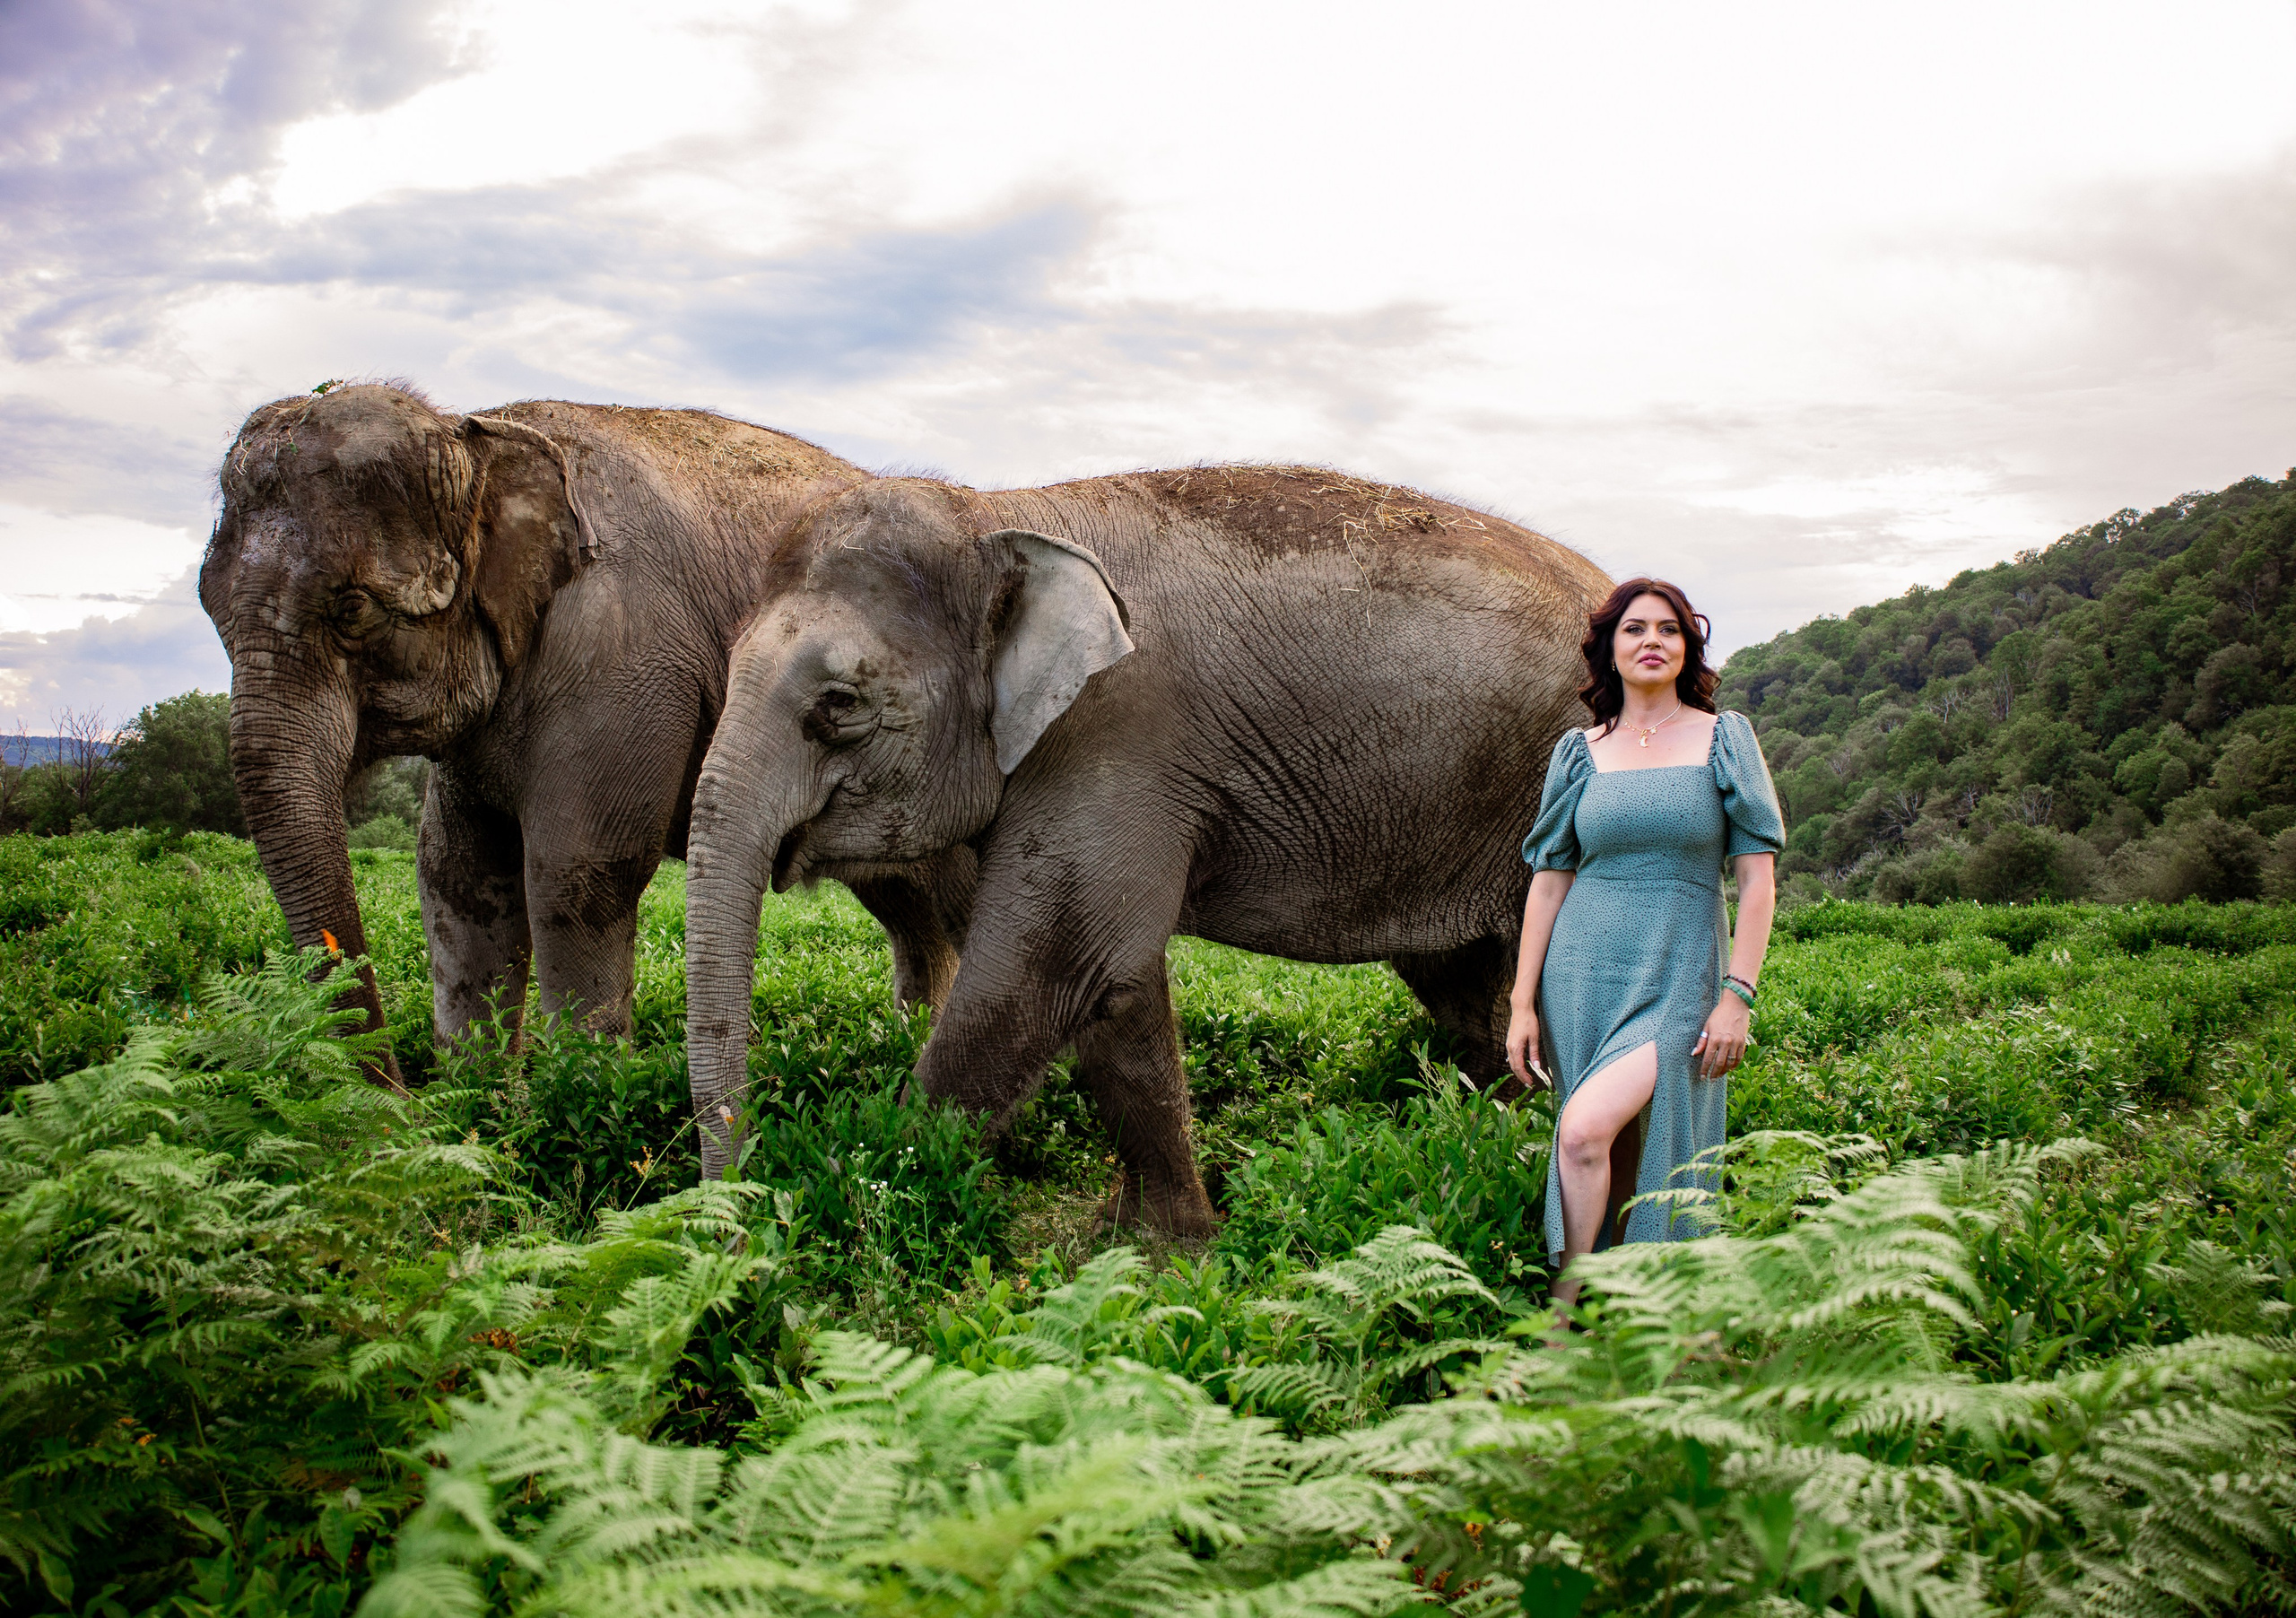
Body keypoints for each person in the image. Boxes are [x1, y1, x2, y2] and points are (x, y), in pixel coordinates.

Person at [1506, 578, 1784, 1310]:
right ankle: (1622, 1314)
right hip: (1581, 975)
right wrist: (1521, 1002)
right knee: (1610, 1146)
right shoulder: (1579, 752)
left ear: (1687, 645)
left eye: (1668, 629)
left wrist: (1739, 997)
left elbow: (1758, 883)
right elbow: (1548, 883)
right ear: (1610, 649)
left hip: (1681, 973)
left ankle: (1566, 1316)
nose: (1651, 641)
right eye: (1635, 630)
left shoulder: (1727, 738)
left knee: (1584, 1132)